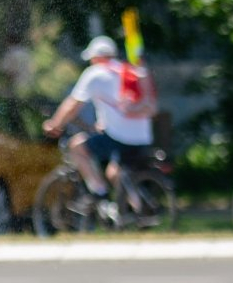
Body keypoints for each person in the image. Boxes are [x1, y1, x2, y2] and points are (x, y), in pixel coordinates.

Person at [42, 35, 157, 203]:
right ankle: (138, 211)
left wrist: (55, 124)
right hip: (143, 137)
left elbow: (72, 104)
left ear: (96, 57)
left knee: (76, 147)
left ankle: (100, 194)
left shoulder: (95, 73)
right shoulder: (129, 71)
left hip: (119, 137)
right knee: (114, 172)